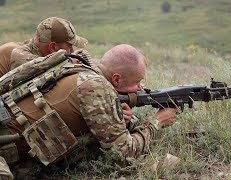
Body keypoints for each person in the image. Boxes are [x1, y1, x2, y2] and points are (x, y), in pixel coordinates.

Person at [1, 44, 177, 179]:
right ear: (116, 79)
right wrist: (157, 122)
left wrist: (118, 118)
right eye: (138, 82)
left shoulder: (75, 69)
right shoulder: (96, 87)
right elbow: (123, 154)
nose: (141, 87)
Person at [9, 17, 88, 71]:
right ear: (53, 47)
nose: (72, 51)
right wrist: (71, 63)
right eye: (70, 47)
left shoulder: (39, 48)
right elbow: (43, 66)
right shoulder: (20, 55)